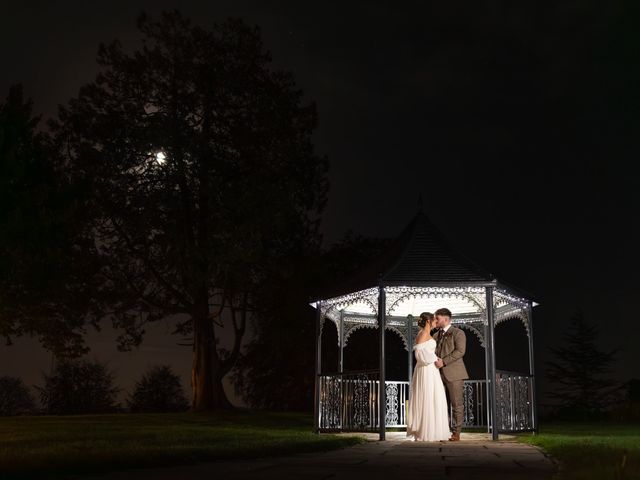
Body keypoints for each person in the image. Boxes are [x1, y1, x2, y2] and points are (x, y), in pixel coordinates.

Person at [406, 312, 451, 441]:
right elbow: (419, 355)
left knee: (433, 397)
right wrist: (435, 358)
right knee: (427, 396)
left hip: (430, 370)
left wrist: (435, 358)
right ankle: (426, 431)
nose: (436, 322)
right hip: (426, 370)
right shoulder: (423, 334)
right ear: (428, 321)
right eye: (434, 320)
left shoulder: (427, 334)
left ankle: (433, 430)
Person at [434, 307, 469, 442]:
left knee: (456, 404)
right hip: (437, 374)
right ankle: (441, 430)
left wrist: (444, 362)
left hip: (454, 373)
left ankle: (456, 433)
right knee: (439, 404)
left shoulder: (458, 333)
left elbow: (460, 351)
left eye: (438, 318)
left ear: (446, 319)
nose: (436, 321)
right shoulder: (436, 335)